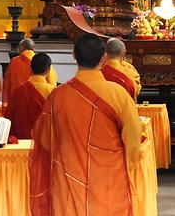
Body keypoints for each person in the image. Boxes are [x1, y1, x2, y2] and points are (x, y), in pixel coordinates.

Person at [30, 34, 144, 215]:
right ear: (103, 58)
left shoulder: (58, 96)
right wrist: (129, 167)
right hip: (109, 178)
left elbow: (44, 139)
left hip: (68, 177)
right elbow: (133, 139)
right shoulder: (118, 94)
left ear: (74, 55)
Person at [6, 53, 55, 139]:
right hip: (45, 143)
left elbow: (9, 119)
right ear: (49, 70)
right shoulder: (54, 92)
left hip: (21, 143)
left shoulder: (19, 91)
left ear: (30, 68)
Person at [3, 38, 57, 105]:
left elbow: (6, 86)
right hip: (41, 103)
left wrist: (5, 105)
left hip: (19, 102)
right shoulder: (44, 61)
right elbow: (52, 82)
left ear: (21, 47)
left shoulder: (14, 62)